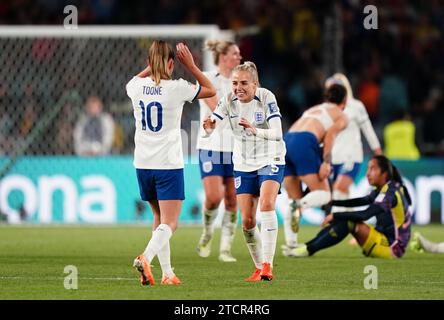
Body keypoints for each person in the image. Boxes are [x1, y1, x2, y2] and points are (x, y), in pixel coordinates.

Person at [126, 41, 215, 286]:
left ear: (149, 62)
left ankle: (167, 273)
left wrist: (152, 67)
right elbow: (210, 89)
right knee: (171, 222)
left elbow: (135, 79)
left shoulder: (135, 86)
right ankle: (145, 257)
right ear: (171, 63)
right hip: (167, 164)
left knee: (158, 217)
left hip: (143, 163)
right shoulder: (177, 87)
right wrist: (192, 66)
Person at [203, 61, 286, 282]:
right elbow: (213, 124)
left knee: (267, 205)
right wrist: (209, 127)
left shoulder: (266, 97)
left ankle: (268, 265)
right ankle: (259, 268)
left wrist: (255, 130)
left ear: (255, 84)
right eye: (235, 83)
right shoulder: (228, 100)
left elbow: (278, 133)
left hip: (271, 156)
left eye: (244, 83)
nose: (238, 87)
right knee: (248, 222)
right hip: (242, 162)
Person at [290, 155, 412, 259]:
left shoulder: (389, 193)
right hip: (383, 239)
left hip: (392, 247)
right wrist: (333, 203)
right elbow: (363, 200)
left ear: (384, 173)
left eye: (372, 169)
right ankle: (306, 247)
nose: (368, 173)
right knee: (344, 218)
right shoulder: (386, 188)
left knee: (349, 221)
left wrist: (334, 215)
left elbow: (365, 215)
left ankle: (308, 249)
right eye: (368, 168)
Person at [281, 84, 348, 256]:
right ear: (344, 101)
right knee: (324, 194)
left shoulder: (314, 109)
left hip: (287, 140)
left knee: (293, 199)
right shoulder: (341, 115)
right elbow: (330, 135)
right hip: (305, 140)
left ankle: (290, 246)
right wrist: (326, 163)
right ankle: (300, 206)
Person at [196, 40, 242, 263]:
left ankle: (225, 249)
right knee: (214, 198)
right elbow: (216, 107)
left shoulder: (240, 82)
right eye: (235, 54)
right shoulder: (208, 78)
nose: (239, 57)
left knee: (233, 199)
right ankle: (206, 233)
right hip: (210, 145)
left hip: (235, 148)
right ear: (223, 57)